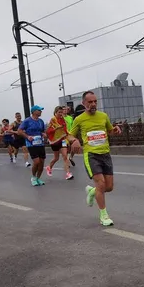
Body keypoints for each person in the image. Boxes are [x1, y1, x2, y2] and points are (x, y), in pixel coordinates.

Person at [69, 91, 122, 226]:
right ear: (84, 103)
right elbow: (69, 135)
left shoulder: (103, 116)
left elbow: (109, 130)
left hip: (105, 153)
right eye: (90, 102)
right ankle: (104, 215)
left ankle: (92, 191)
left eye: (95, 102)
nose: (93, 104)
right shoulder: (79, 119)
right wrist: (74, 140)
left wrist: (115, 130)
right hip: (91, 155)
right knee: (101, 184)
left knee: (109, 187)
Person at [18, 105, 47, 186]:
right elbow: (19, 131)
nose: (41, 112)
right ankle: (33, 177)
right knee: (36, 161)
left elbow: (42, 131)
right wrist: (27, 136)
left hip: (40, 143)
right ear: (33, 111)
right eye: (39, 110)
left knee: (41, 162)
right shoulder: (27, 121)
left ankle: (38, 178)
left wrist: (43, 134)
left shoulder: (41, 121)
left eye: (41, 110)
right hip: (31, 144)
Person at [46, 106, 74, 180]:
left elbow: (65, 129)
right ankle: (49, 167)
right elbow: (48, 131)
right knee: (56, 158)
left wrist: (69, 135)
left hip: (63, 140)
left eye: (61, 112)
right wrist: (56, 129)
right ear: (55, 112)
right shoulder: (53, 120)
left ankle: (68, 173)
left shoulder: (63, 119)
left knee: (65, 156)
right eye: (59, 112)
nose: (61, 114)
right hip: (54, 141)